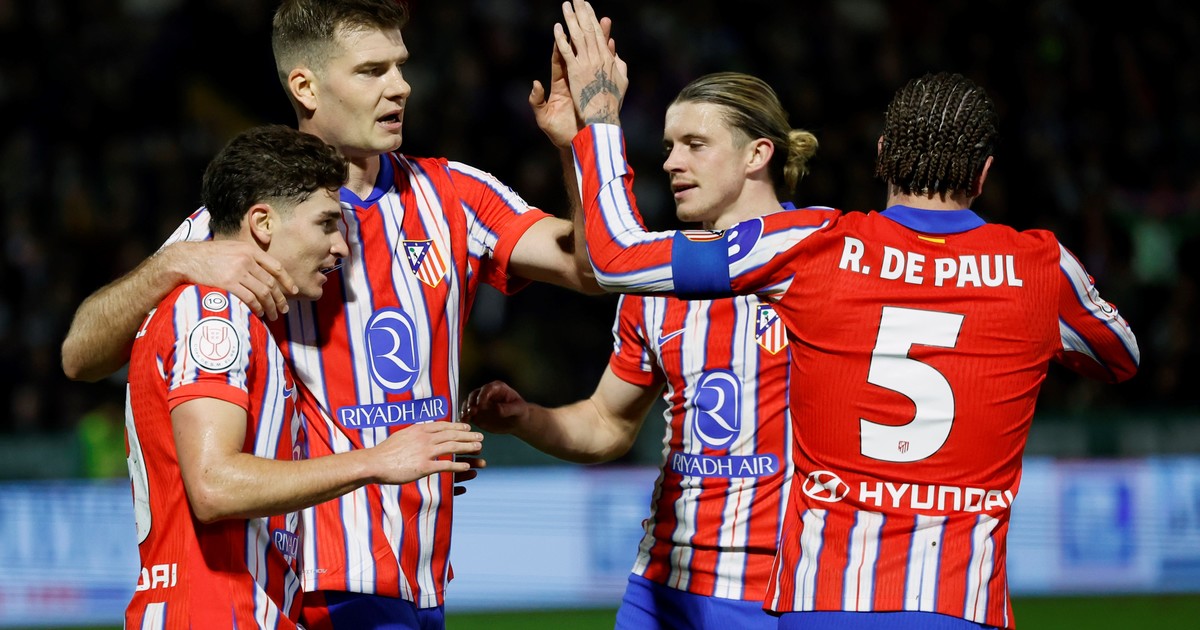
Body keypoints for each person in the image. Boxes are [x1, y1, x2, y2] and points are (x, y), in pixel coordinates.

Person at [552, 2, 1140, 628]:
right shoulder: (1039, 266)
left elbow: (614, 256)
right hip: (959, 603)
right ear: (985, 174)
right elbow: (1120, 357)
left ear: (881, 155)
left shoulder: (816, 245)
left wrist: (600, 117)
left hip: (825, 599)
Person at [61, 1, 601, 628]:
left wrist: (580, 144)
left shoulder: (452, 195)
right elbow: (80, 354)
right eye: (372, 71)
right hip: (313, 584)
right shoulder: (244, 221)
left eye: (400, 65)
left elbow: (592, 268)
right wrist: (172, 265)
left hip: (420, 572)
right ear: (306, 87)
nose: (401, 86)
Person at [461, 71, 818, 629]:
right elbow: (607, 423)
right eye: (670, 146)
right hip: (661, 584)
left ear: (757, 154)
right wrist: (526, 418)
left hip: (780, 584)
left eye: (695, 144)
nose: (673, 162)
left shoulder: (825, 260)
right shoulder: (655, 283)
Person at [124, 124, 484, 629]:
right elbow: (213, 485)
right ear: (263, 223)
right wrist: (376, 462)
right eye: (326, 224)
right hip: (214, 614)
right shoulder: (213, 314)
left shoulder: (247, 322)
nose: (342, 246)